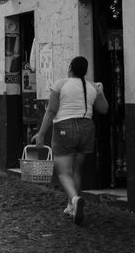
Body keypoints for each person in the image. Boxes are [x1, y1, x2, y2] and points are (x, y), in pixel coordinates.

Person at [33, 55, 109, 225]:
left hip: (64, 129)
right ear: (85, 71)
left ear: (70, 68)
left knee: (64, 172)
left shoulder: (60, 84)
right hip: (87, 128)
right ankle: (71, 205)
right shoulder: (91, 86)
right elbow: (104, 109)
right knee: (76, 169)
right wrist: (100, 91)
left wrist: (41, 134)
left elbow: (51, 111)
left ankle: (74, 199)